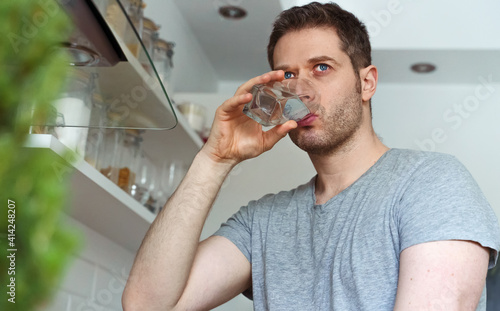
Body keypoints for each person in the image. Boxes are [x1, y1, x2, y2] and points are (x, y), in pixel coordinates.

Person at [122, 2, 500, 310]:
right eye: (286, 75)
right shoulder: (262, 223)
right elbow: (146, 305)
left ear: (366, 82)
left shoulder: (432, 183)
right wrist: (214, 160)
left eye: (322, 68)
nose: (300, 90)